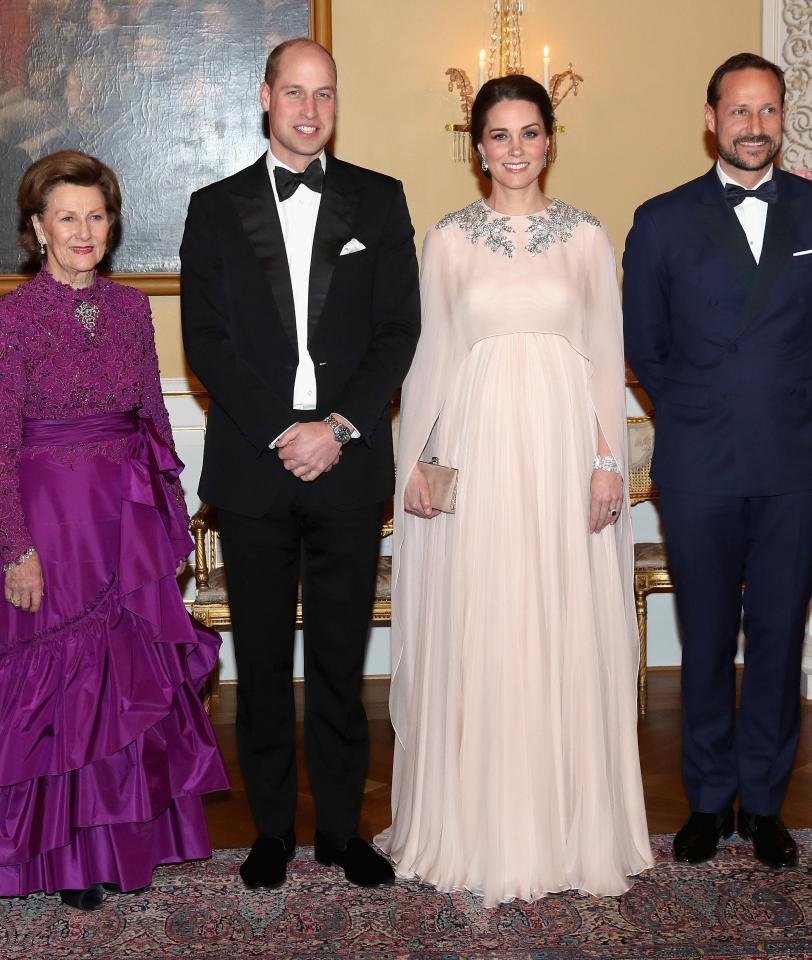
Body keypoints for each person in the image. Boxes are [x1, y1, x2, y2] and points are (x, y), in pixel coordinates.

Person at [375, 75, 652, 906]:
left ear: (551, 140)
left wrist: (609, 461)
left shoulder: (590, 239)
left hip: (566, 451)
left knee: (560, 618)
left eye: (530, 133)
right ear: (478, 147)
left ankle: (570, 828)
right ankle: (475, 824)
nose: (516, 150)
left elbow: (607, 354)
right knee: (485, 620)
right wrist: (415, 460)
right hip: (479, 448)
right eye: (499, 135)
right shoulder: (449, 240)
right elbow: (432, 360)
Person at [180, 38, 420, 890]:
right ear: (265, 97)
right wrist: (288, 429)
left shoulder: (380, 200)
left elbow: (399, 331)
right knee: (265, 664)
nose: (310, 110)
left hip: (349, 467)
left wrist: (338, 428)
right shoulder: (213, 207)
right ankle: (273, 833)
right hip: (253, 470)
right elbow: (204, 339)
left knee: (339, 662)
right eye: (294, 93)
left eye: (324, 94)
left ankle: (344, 834)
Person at [0, 150, 228, 910]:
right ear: (37, 228)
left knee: (121, 688)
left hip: (123, 527)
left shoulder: (132, 309)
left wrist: (169, 517)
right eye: (66, 217)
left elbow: (155, 419)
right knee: (62, 694)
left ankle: (118, 847)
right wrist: (15, 547)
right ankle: (63, 861)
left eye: (95, 215)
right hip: (51, 526)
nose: (83, 231)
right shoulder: (13, 318)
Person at [623, 53, 812, 869]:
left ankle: (764, 805)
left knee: (776, 637)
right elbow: (643, 345)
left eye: (768, 111)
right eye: (740, 112)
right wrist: (698, 413)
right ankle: (706, 801)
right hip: (698, 466)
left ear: (783, 117)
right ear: (711, 119)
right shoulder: (662, 219)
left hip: (796, 466)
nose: (755, 127)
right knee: (704, 638)